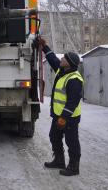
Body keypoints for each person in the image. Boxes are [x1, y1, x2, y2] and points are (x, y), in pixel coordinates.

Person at [37, 36, 83, 176]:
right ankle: (59, 160)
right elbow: (52, 59)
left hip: (69, 118)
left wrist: (64, 117)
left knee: (71, 141)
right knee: (54, 137)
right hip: (58, 115)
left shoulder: (74, 79)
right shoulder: (62, 71)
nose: (61, 59)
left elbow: (72, 102)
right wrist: (44, 47)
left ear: (69, 63)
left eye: (64, 58)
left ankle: (74, 167)